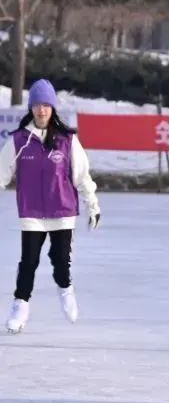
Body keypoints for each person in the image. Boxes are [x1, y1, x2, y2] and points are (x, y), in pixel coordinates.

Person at [0, 79, 100, 334]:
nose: (41, 110)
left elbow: (82, 176)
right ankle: (20, 306)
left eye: (46, 105)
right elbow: (1, 174)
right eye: (37, 105)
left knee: (60, 262)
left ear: (53, 108)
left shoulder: (67, 140)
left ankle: (66, 290)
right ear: (31, 108)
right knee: (29, 262)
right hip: (32, 212)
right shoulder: (19, 140)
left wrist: (92, 204)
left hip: (62, 211)